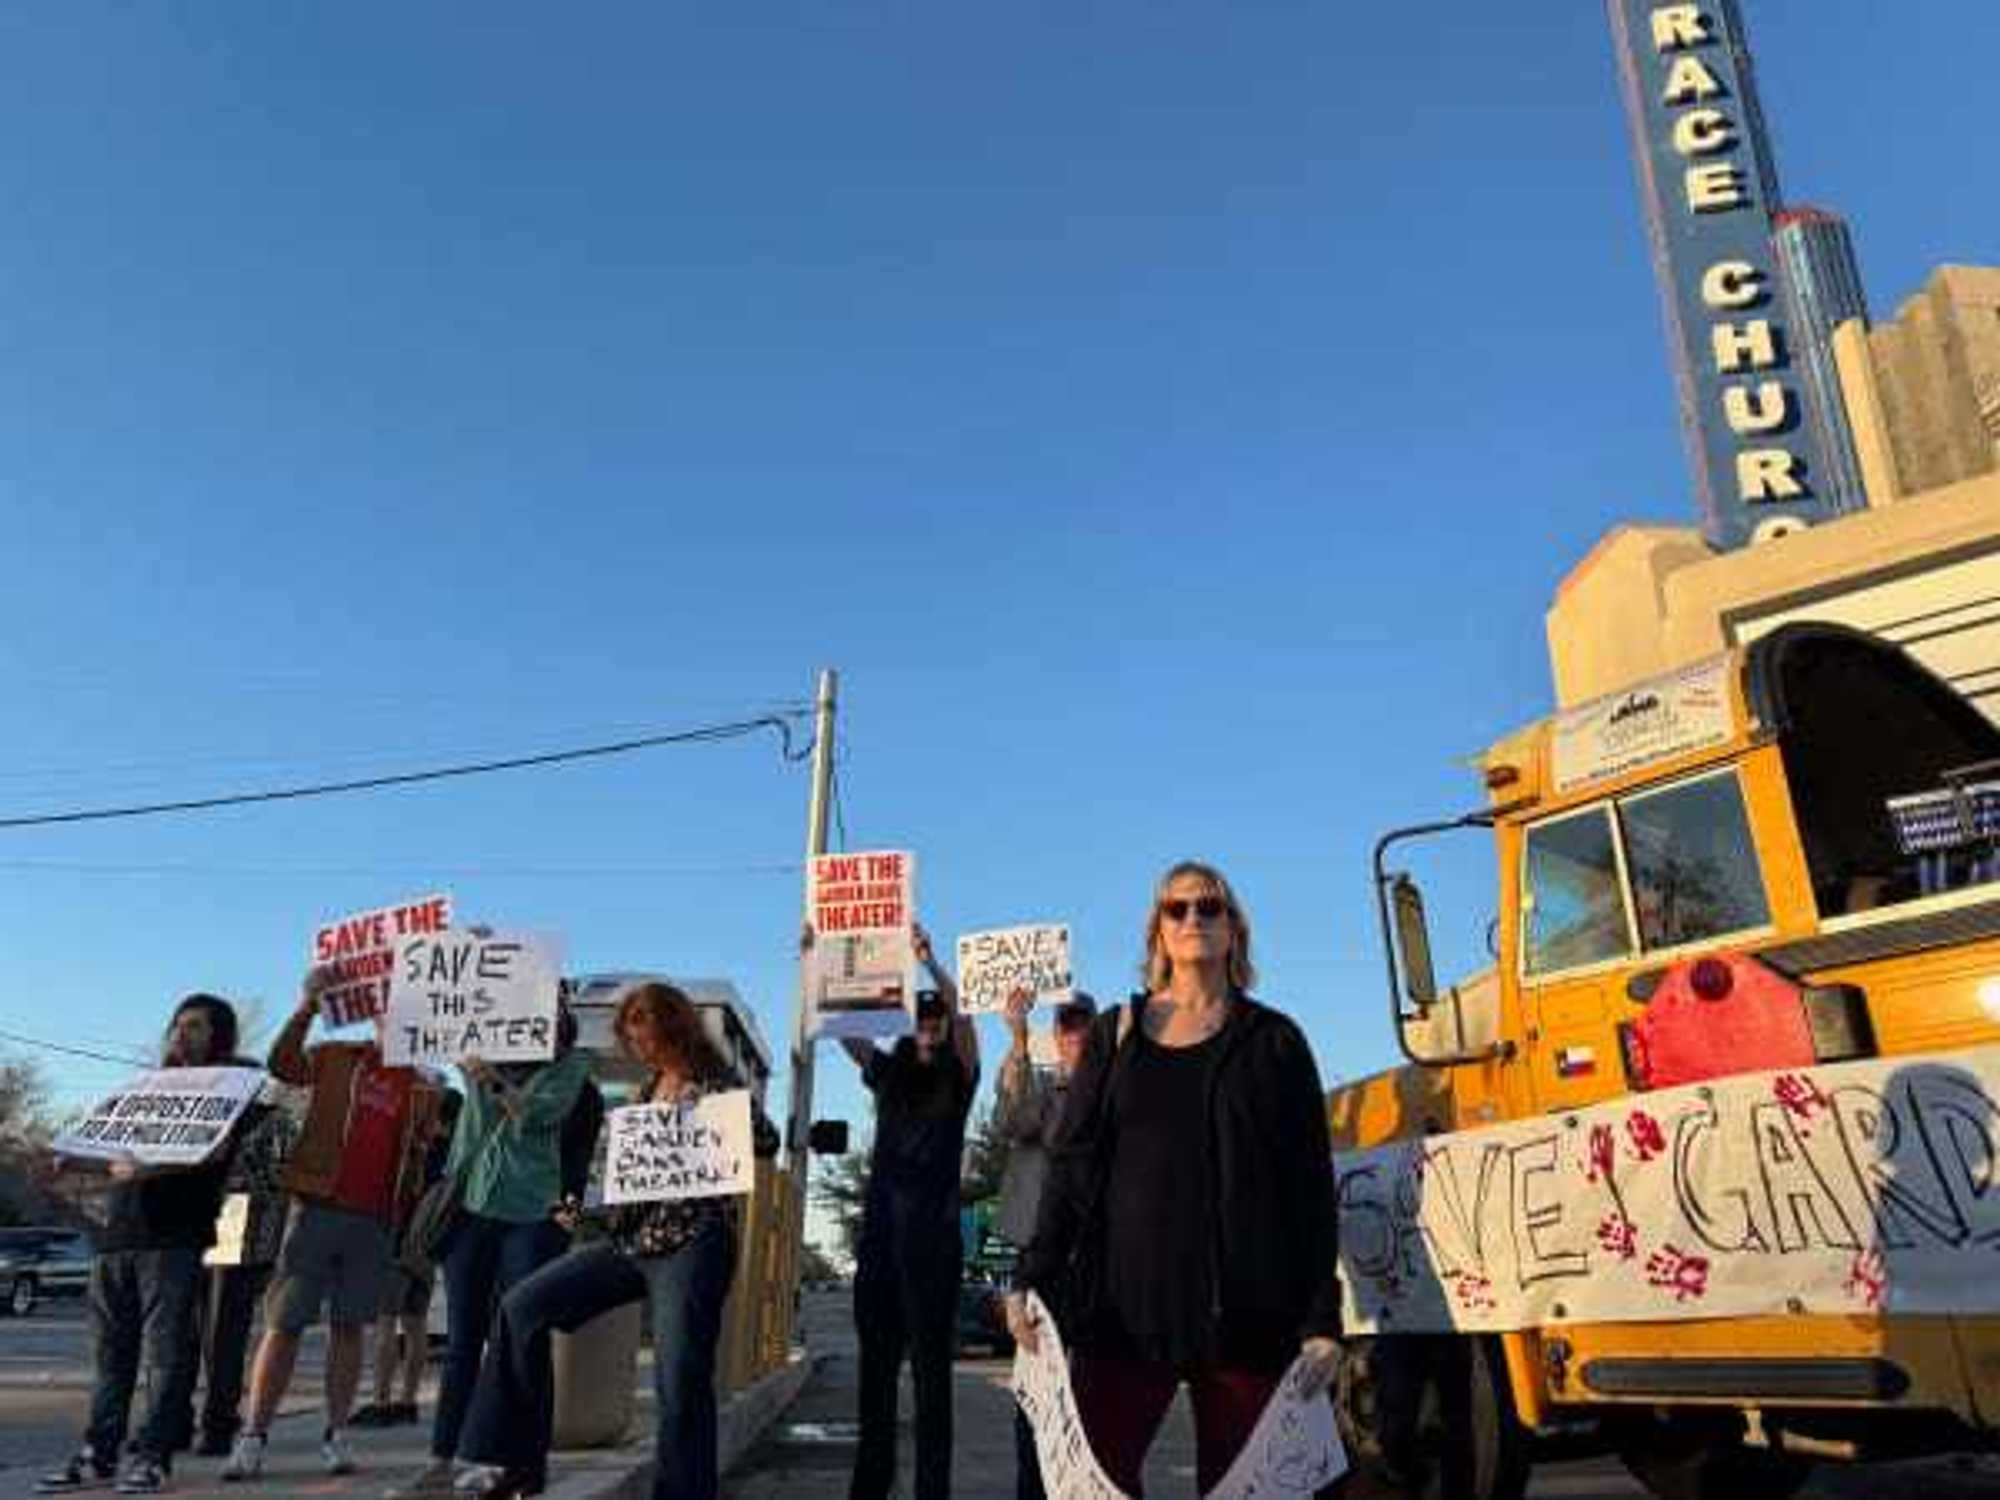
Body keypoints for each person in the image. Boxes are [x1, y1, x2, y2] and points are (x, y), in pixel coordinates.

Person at [1009, 861, 1341, 1497]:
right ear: (1158, 932)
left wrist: (1322, 1320)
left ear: (1234, 929)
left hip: (1248, 1319)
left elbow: (1308, 1190)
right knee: (1092, 1485)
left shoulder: (1275, 1042)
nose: (1193, 918)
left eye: (1209, 907)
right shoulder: (1115, 1034)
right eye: (1177, 908)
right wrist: (1031, 1274)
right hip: (1125, 1315)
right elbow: (1072, 1167)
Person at [452, 982, 739, 1500]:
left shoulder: (716, 1083)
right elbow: (623, 1182)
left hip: (692, 1244)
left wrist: (713, 1109)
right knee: (521, 1308)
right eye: (632, 1040)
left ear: (675, 1030)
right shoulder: (643, 1092)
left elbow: (763, 1139)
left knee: (680, 1378)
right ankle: (513, 1465)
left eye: (647, 1038)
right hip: (632, 1243)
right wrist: (582, 1213)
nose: (640, 1049)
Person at [222, 966, 442, 1483]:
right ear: (377, 1018)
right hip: (318, 1205)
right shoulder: (338, 1056)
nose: (398, 1025)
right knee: (285, 1323)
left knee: (350, 1327)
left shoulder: (423, 1087)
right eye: (391, 1015)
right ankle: (253, 1435)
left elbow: (423, 1153)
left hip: (376, 1218)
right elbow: (282, 1065)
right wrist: (307, 1007)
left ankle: (335, 1433)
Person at [38, 995, 251, 1496]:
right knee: (112, 1356)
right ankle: (98, 1453)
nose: (180, 1034)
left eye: (195, 1026)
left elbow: (211, 1152)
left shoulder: (230, 1088)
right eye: (177, 1025)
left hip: (174, 1239)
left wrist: (146, 1170)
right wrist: (72, 1161)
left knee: (165, 1356)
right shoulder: (147, 1088)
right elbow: (115, 1157)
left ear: (218, 1036)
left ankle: (153, 1457)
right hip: (117, 1237)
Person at [387, 1009, 596, 1497]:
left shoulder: (573, 1079)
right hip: (471, 1212)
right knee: (463, 1340)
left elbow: (548, 1130)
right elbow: (435, 1017)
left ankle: (518, 1465)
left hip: (535, 1216)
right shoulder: (480, 1060)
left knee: (522, 1336)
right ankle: (443, 1459)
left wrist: (562, 1225)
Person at [833, 924, 979, 1500]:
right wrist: (820, 968)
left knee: (931, 1381)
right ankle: (869, 1488)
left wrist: (930, 962)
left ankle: (931, 1491)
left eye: (935, 1017)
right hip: (879, 1248)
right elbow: (846, 1034)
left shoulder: (959, 1078)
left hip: (933, 1250)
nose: (929, 1024)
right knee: (875, 1379)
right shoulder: (889, 1076)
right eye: (920, 1016)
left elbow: (965, 1020)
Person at [991, 988, 1096, 1500]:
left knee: (1094, 1401)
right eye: (1066, 1024)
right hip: (1039, 1262)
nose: (1075, 1034)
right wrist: (1017, 1040)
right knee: (1036, 1398)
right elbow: (1010, 1120)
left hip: (1098, 1263)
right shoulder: (1043, 1089)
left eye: (1083, 1023)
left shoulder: (1115, 1091)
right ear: (1054, 1034)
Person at [194, 1076, 300, 1456]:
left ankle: (217, 1421)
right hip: (205, 1222)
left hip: (237, 1220)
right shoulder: (220, 1116)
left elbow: (285, 1176)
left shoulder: (271, 1121)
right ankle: (196, 1417)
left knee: (221, 1326)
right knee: (204, 1326)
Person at [352, 1088, 463, 1431]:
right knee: (416, 1324)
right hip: (428, 1246)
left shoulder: (418, 1151)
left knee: (386, 1322)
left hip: (401, 1239)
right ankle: (408, 1399)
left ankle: (381, 1400)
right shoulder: (455, 1155)